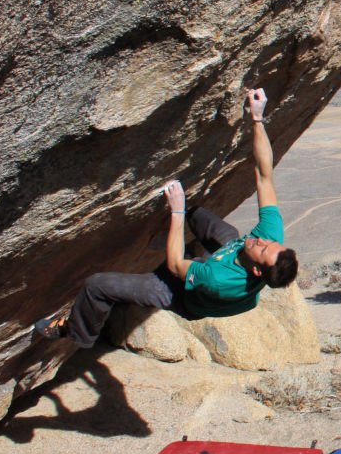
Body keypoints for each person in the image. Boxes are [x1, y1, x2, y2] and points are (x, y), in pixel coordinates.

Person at [34, 88, 299, 347]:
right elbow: (264, 175)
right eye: (268, 242)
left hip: (183, 295)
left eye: (262, 248)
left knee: (97, 285)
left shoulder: (217, 279)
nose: (259, 240)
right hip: (226, 260)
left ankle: (76, 332)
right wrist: (257, 118)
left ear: (256, 270)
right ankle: (179, 232)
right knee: (202, 219)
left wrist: (176, 211)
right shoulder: (269, 239)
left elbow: (174, 265)